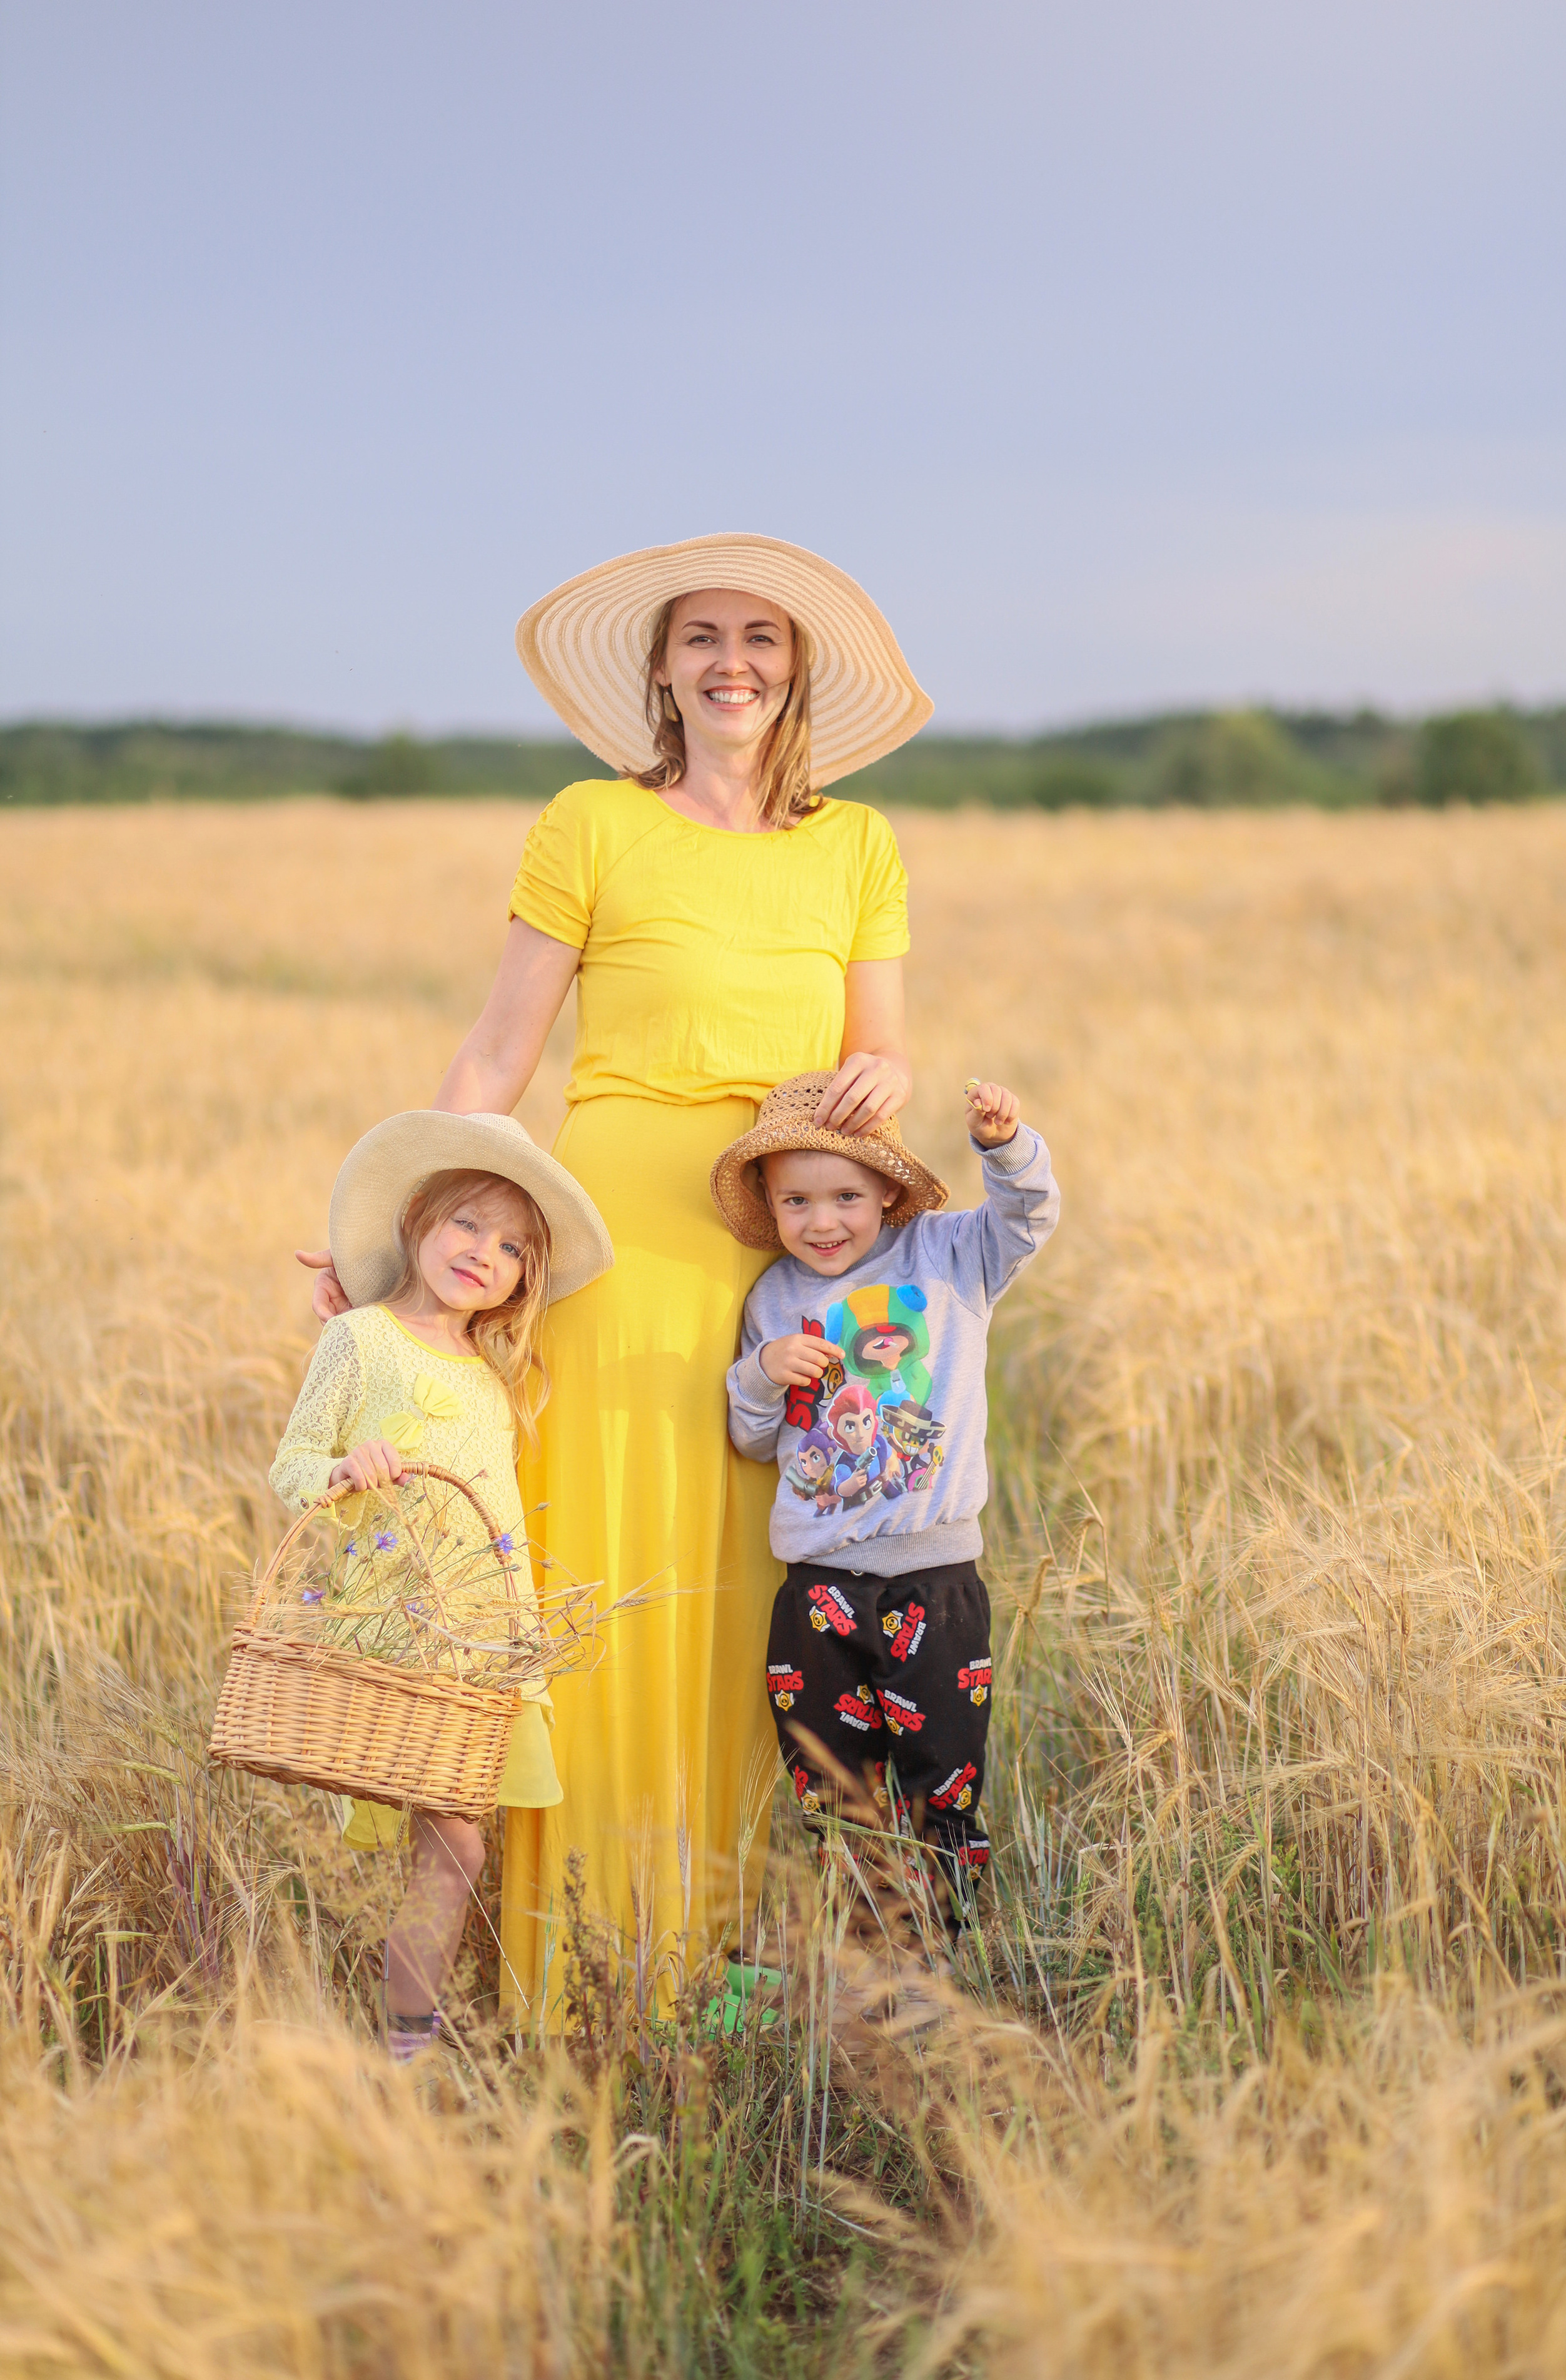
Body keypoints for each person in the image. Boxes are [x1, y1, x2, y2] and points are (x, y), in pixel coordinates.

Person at [298, 535, 932, 2018]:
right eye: (701, 636)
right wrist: (386, 1239)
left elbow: (883, 1048)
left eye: (760, 637)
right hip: (613, 1242)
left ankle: (723, 1959)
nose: (731, 662)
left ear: (795, 668)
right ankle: (572, 1954)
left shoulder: (858, 845)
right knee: (601, 1575)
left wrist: (887, 1079)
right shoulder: (590, 822)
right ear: (659, 668)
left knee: (761, 1587)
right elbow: (496, 1056)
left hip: (783, 1253)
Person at [273, 1110, 611, 2057]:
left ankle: (407, 2039)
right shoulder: (361, 1340)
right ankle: (407, 2043)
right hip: (395, 1631)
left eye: (511, 1248)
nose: (482, 1254)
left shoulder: (498, 1370)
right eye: (466, 1223)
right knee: (456, 1843)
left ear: (524, 1279)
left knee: (456, 1842)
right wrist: (343, 1472)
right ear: (418, 1217)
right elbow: (293, 1464)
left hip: (481, 1640)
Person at [717, 1070, 1059, 1926]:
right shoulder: (773, 1300)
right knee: (832, 1780)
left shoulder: (947, 1256)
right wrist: (760, 1375)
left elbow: (1028, 1218)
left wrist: (1003, 1148)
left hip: (933, 1580)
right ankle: (863, 1938)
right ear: (769, 1204)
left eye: (846, 1197)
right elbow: (754, 1442)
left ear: (889, 1192)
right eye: (796, 1201)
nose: (822, 1221)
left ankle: (942, 1941)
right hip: (819, 1587)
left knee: (943, 1773)